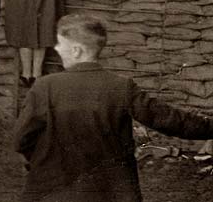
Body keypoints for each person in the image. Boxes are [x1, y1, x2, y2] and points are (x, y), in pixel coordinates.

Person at [15, 14, 213, 202]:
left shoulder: (45, 87)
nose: (56, 49)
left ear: (76, 50)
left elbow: (22, 139)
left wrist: (40, 161)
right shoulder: (121, 86)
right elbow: (170, 120)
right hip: (110, 191)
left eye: (60, 44)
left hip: (52, 190)